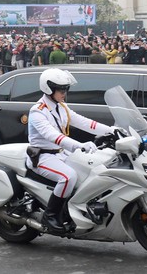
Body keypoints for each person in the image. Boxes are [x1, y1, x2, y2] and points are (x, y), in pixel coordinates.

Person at [27, 69, 114, 233]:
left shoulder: (62, 107)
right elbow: (52, 136)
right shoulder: (38, 111)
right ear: (49, 89)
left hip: (60, 153)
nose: (64, 93)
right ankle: (50, 216)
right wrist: (79, 145)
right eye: (61, 90)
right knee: (68, 177)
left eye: (66, 89)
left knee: (91, 170)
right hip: (43, 156)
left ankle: (73, 211)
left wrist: (111, 130)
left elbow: (85, 123)